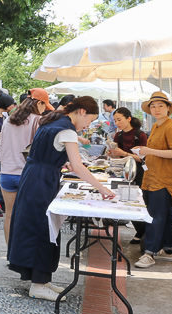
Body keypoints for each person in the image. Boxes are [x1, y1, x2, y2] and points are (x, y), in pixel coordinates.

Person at [7, 96, 115, 301]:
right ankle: (38, 285)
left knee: (37, 226)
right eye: (89, 120)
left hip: (34, 176)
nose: (87, 125)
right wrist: (102, 188)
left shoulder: (52, 120)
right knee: (42, 228)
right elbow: (77, 165)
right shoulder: (67, 129)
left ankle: (41, 279)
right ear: (82, 111)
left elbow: (49, 153)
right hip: (42, 181)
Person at [134, 92, 172, 268]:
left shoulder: (171, 126)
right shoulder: (157, 125)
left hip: (165, 178)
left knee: (155, 215)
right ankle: (170, 249)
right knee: (165, 214)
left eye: (160, 106)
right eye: (153, 106)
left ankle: (150, 252)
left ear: (168, 108)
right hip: (154, 175)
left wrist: (149, 151)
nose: (156, 109)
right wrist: (145, 152)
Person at [0, 91, 51, 245]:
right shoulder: (37, 120)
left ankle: (10, 253)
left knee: (9, 215)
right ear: (38, 103)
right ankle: (24, 253)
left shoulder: (9, 120)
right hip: (27, 174)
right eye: (44, 105)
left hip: (6, 173)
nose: (45, 109)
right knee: (29, 216)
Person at [107, 106, 148, 243]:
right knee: (126, 200)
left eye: (119, 120)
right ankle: (140, 230)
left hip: (139, 171)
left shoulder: (140, 135)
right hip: (123, 171)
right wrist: (112, 153)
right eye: (115, 120)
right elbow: (118, 156)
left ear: (128, 119)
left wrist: (123, 153)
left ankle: (143, 231)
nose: (117, 123)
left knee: (138, 201)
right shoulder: (118, 135)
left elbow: (143, 158)